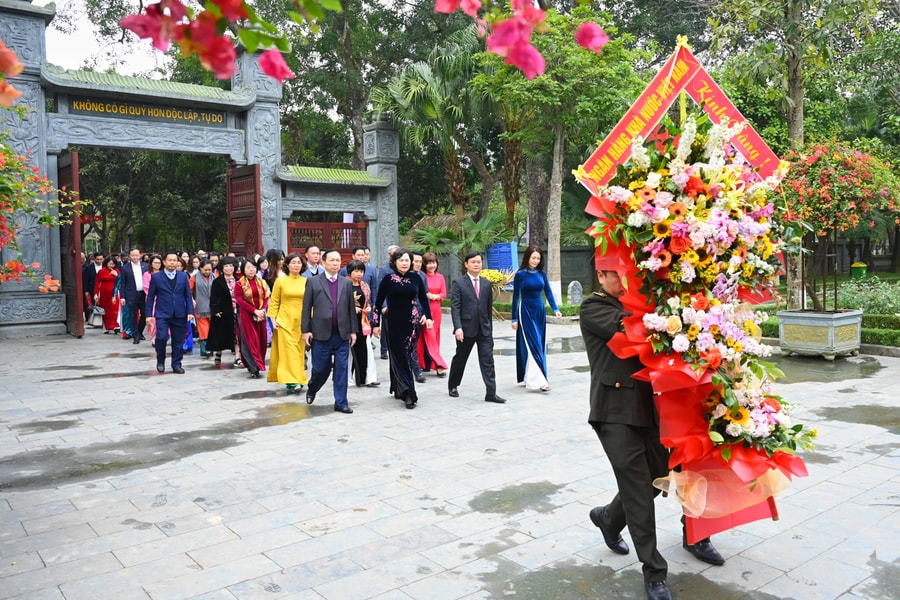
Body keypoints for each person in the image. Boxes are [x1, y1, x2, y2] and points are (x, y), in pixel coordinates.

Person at [580, 269, 724, 600]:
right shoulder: (595, 307)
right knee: (638, 489)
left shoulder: (639, 305)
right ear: (601, 276)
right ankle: (655, 572)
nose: (626, 281)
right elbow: (632, 329)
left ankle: (607, 518)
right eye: (619, 275)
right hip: (615, 412)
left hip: (653, 408)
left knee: (652, 479)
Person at [374, 249, 433, 409]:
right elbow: (378, 303)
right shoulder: (388, 279)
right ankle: (409, 393)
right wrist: (375, 324)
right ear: (395, 262)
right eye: (401, 260)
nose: (405, 263)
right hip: (393, 322)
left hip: (412, 323)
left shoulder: (416, 277)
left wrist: (428, 317)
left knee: (406, 355)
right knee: (398, 355)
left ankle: (398, 387)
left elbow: (423, 299)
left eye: (408, 260)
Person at [301, 248, 359, 414]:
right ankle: (313, 387)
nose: (335, 263)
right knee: (321, 369)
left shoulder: (346, 283)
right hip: (320, 333)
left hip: (341, 334)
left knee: (342, 368)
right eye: (332, 260)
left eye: (338, 260)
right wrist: (306, 331)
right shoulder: (313, 282)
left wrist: (353, 331)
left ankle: (341, 402)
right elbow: (306, 308)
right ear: (323, 262)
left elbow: (350, 309)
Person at [447, 251, 505, 404]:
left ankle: (491, 393)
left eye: (479, 262)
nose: (476, 264)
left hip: (484, 330)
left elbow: (487, 308)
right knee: (460, 358)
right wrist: (458, 328)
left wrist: (490, 331)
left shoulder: (486, 283)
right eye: (473, 262)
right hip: (466, 330)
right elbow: (455, 307)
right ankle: (453, 385)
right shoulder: (458, 283)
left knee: (488, 361)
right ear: (466, 264)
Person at [511, 245, 562, 392]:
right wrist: (514, 319)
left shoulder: (542, 274)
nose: (535, 261)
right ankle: (540, 381)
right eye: (533, 257)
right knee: (533, 343)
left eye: (538, 258)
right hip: (525, 310)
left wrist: (556, 309)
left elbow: (549, 293)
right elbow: (515, 297)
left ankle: (530, 376)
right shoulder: (520, 274)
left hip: (539, 311)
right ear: (527, 257)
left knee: (539, 343)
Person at [145, 251, 195, 374]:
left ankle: (176, 364)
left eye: (174, 260)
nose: (172, 262)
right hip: (162, 313)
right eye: (170, 260)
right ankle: (160, 360)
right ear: (164, 262)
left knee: (178, 340)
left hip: (179, 313)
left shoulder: (183, 276)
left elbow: (188, 295)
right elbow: (150, 297)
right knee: (161, 337)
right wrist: (148, 315)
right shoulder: (156, 277)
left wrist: (190, 311)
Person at [267, 253, 309, 394]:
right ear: (287, 265)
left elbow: (311, 304)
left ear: (302, 266)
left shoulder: (307, 282)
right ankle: (294, 381)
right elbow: (274, 301)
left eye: (299, 263)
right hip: (284, 320)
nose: (296, 265)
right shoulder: (281, 281)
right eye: (293, 262)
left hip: (301, 321)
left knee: (298, 352)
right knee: (288, 352)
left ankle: (297, 377)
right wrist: (273, 319)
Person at [344, 259, 379, 389]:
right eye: (356, 271)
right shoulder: (344, 284)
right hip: (348, 322)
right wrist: (351, 308)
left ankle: (367, 378)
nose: (359, 274)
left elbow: (367, 301)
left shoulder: (364, 285)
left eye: (361, 271)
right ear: (350, 272)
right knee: (349, 351)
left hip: (363, 321)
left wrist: (368, 307)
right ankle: (348, 378)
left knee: (366, 349)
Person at [234, 257, 270, 379]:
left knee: (261, 339)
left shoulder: (262, 282)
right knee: (249, 340)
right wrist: (254, 310)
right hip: (246, 315)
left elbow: (266, 297)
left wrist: (262, 310)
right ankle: (253, 367)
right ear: (243, 269)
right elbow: (239, 300)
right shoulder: (240, 283)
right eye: (248, 267)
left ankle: (259, 362)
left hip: (261, 314)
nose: (251, 270)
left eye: (254, 267)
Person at [418, 252, 448, 377]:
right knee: (421, 338)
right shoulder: (421, 276)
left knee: (434, 337)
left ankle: (434, 364)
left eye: (433, 263)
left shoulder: (440, 277)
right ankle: (424, 364)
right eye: (429, 263)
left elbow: (444, 294)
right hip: (424, 309)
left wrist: (434, 296)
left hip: (436, 310)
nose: (431, 265)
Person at [207, 256, 238, 366]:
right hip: (223, 312)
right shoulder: (217, 282)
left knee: (237, 335)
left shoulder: (239, 281)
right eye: (226, 266)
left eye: (231, 266)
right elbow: (213, 297)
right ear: (222, 268)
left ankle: (237, 357)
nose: (229, 268)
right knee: (220, 335)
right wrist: (215, 309)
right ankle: (218, 354)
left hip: (236, 311)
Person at [119, 248, 148, 345]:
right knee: (133, 316)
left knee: (145, 314)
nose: (135, 257)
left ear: (140, 255)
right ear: (129, 256)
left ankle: (139, 331)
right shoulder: (125, 268)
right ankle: (135, 335)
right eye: (133, 255)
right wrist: (122, 297)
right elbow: (122, 283)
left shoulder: (146, 266)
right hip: (131, 294)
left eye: (136, 255)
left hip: (143, 294)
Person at [377, 244, 398, 359]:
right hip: (388, 304)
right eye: (392, 254)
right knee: (386, 329)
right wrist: (383, 305)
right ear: (389, 256)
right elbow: (381, 288)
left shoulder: (404, 267)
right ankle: (384, 350)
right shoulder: (384, 269)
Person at [191, 259, 214, 358]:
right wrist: (192, 300)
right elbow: (188, 291)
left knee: (212, 329)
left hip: (213, 306)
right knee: (204, 329)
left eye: (210, 270)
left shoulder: (215, 277)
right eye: (206, 270)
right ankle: (204, 350)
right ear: (200, 268)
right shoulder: (194, 278)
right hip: (200, 307)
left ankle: (211, 349)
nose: (208, 272)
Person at [93, 255, 120, 333]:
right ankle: (106, 326)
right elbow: (97, 283)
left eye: (113, 264)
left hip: (114, 292)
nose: (111, 265)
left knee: (114, 308)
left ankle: (115, 325)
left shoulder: (117, 271)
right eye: (110, 263)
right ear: (106, 263)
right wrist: (95, 294)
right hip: (103, 292)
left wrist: (117, 275)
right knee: (105, 309)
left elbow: (120, 281)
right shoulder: (101, 271)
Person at [82, 252, 103, 321]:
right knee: (91, 304)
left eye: (101, 259)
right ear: (94, 259)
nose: (99, 261)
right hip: (92, 289)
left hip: (103, 288)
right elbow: (86, 280)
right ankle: (91, 319)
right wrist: (86, 291)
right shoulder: (88, 268)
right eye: (98, 259)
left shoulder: (106, 267)